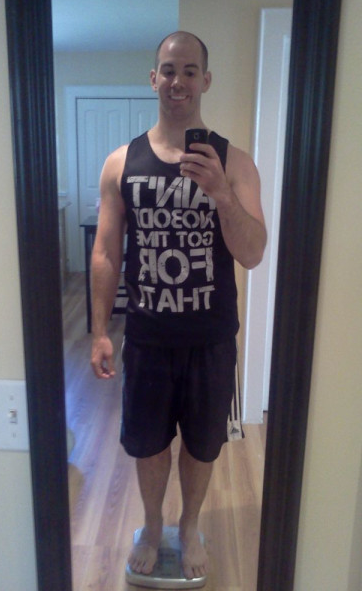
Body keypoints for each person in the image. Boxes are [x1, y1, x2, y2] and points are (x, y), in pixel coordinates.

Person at [90, 31, 266, 580]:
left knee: (204, 444)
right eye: (169, 70)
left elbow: (254, 252)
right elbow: (105, 252)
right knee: (147, 444)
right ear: (153, 79)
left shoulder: (234, 162)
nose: (178, 81)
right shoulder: (121, 162)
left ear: (205, 80)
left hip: (211, 337)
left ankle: (189, 526)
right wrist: (99, 330)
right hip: (147, 336)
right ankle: (150, 524)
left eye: (190, 71)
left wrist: (221, 194)